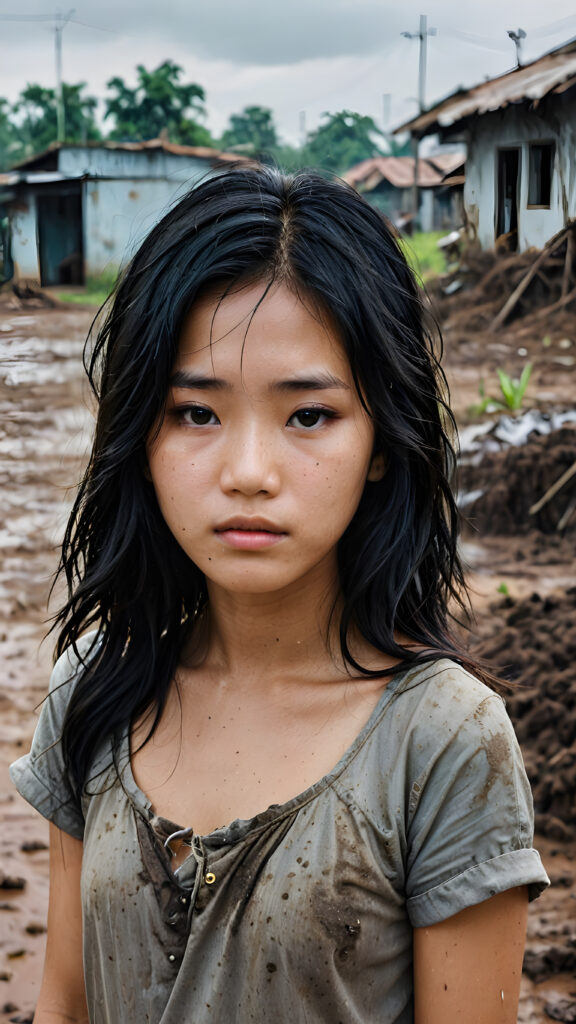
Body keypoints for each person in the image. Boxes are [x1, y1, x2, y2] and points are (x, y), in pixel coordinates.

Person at [11, 165, 548, 1024]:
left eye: (308, 416)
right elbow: (65, 1002)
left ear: (381, 439)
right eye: (196, 413)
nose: (249, 474)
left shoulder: (440, 741)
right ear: (138, 430)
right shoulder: (95, 698)